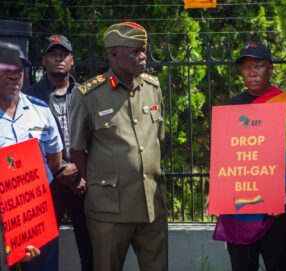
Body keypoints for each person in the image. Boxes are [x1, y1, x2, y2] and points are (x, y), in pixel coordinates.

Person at [69, 22, 167, 271]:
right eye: (135, 51)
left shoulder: (152, 89)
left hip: (151, 205)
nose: (143, 56)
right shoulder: (89, 95)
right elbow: (78, 150)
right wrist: (93, 184)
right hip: (109, 211)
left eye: (143, 49)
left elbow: (157, 139)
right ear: (114, 55)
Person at [212, 43, 286, 271]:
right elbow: (224, 158)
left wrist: (285, 190)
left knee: (278, 265)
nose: (252, 72)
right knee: (242, 266)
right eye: (246, 67)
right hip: (240, 206)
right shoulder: (230, 108)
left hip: (278, 205)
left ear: (271, 69)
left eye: (259, 65)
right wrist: (217, 191)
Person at [23, 34, 93, 271]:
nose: (58, 59)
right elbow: (28, 142)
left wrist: (81, 173)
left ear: (72, 60)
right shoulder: (30, 97)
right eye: (53, 54)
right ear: (44, 60)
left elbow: (96, 137)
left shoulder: (87, 94)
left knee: (90, 248)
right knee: (40, 250)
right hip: (46, 186)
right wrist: (63, 171)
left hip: (84, 183)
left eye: (63, 54)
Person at [0, 42, 63, 270]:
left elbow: (54, 160)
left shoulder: (41, 111)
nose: (14, 74)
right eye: (6, 68)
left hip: (37, 213)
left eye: (18, 69)